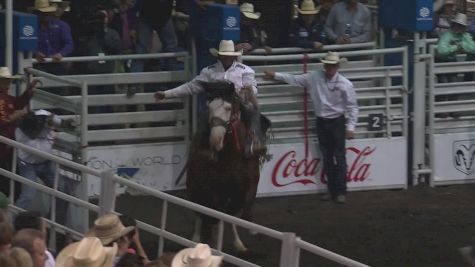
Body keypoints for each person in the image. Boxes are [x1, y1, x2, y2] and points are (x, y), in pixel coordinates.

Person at [264, 51, 358, 204]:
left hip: (337, 122)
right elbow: (295, 79)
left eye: (332, 65)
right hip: (323, 121)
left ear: (337, 66)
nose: (330, 68)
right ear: (325, 65)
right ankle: (333, 190)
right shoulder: (315, 77)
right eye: (328, 65)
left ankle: (340, 191)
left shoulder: (345, 84)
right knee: (328, 157)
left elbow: (353, 107)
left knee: (338, 157)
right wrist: (276, 75)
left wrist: (350, 127)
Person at [154, 40, 269, 159]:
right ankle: (202, 149)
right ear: (219, 56)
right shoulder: (209, 71)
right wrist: (167, 94)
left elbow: (253, 87)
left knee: (252, 113)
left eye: (229, 56)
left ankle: (255, 143)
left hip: (237, 103)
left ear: (233, 56)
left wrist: (248, 91)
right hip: (217, 104)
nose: (226, 58)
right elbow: (192, 86)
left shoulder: (245, 70)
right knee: (205, 119)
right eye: (224, 56)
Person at [15, 110, 75, 213]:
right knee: (28, 195)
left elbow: (62, 124)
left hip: (46, 162)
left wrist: (61, 123)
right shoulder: (19, 132)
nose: (32, 133)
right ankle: (12, 221)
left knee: (62, 191)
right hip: (28, 164)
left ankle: (55, 223)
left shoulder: (44, 115)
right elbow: (36, 150)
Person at [0, 67, 38, 196]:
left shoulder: (5, 97)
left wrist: (28, 91)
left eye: (8, 81)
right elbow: (4, 120)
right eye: (5, 81)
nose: (8, 84)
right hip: (4, 144)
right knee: (8, 178)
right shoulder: (1, 98)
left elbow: (18, 103)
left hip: (8, 143)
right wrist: (19, 113)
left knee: (11, 178)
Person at [436, 12, 475, 117]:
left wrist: (462, 46)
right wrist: (456, 48)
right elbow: (441, 50)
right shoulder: (447, 35)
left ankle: (454, 109)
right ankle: (441, 110)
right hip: (441, 62)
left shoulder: (463, 36)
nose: (459, 28)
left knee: (454, 85)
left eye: (461, 26)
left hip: (451, 61)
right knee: (443, 85)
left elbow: (473, 47)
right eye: (457, 25)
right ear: (453, 25)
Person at [33, 0, 74, 76]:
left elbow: (69, 44)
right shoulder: (30, 27)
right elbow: (26, 45)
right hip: (39, 65)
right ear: (37, 13)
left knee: (59, 85)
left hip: (58, 65)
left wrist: (61, 54)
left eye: (47, 12)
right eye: (43, 13)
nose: (46, 14)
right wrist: (35, 53)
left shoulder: (62, 25)